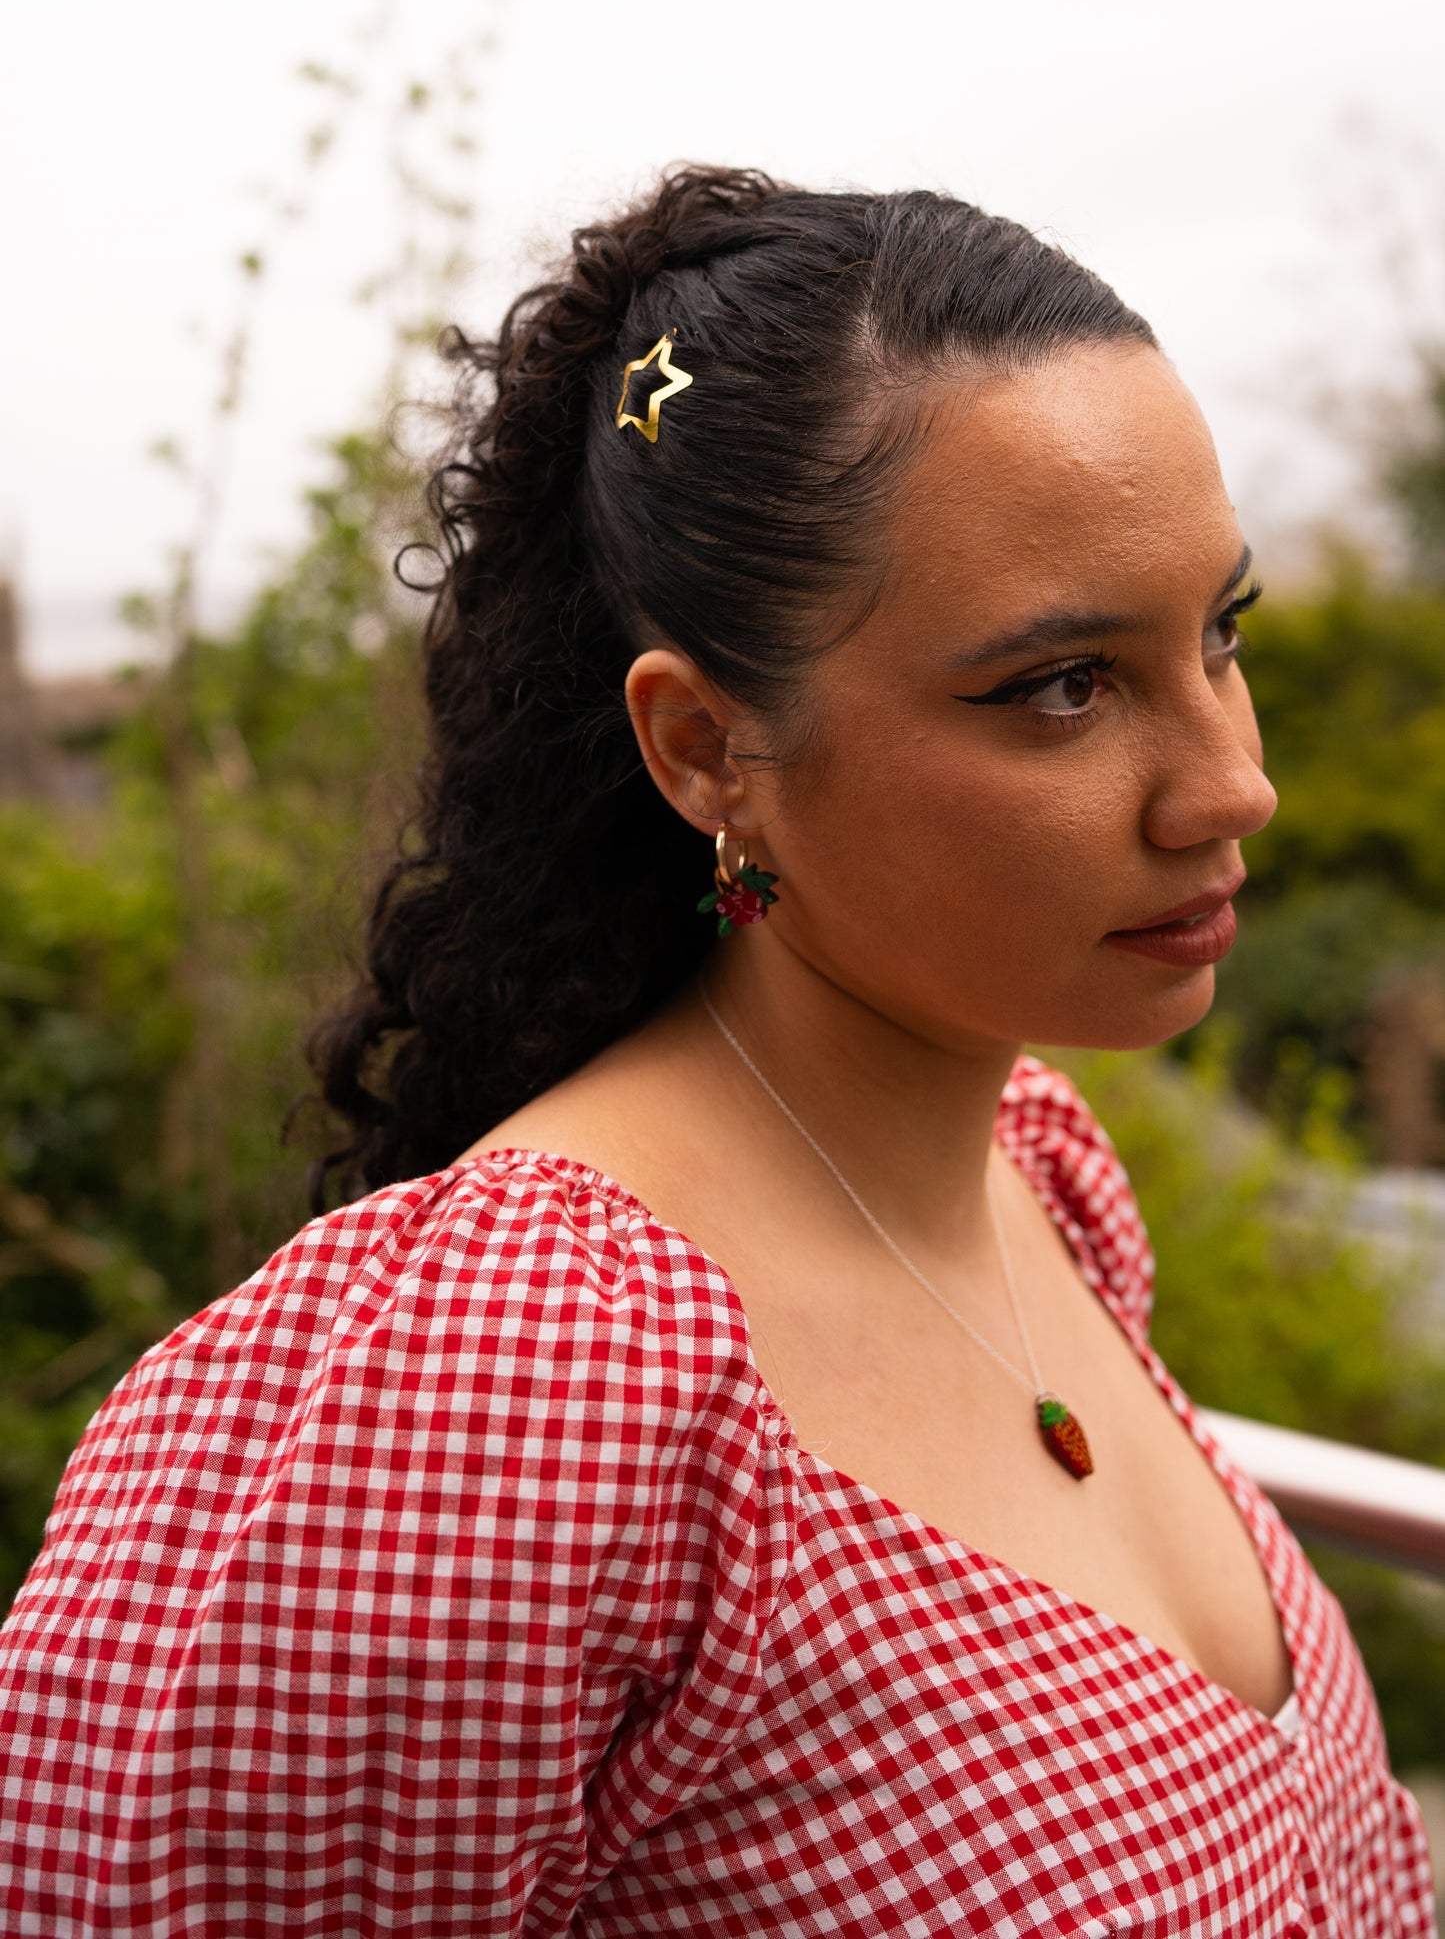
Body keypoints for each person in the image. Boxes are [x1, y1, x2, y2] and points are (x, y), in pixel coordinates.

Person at [0, 168, 1433, 1935]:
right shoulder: (518, 1376)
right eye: (1061, 683)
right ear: (702, 751)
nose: (1233, 781)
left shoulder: (1036, 1179)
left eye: (1219, 635)